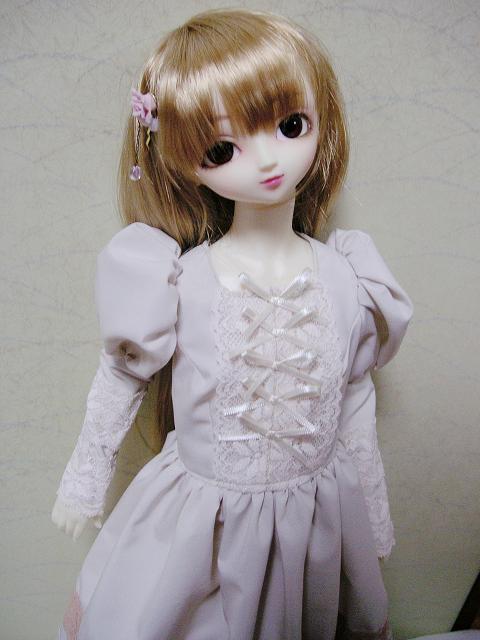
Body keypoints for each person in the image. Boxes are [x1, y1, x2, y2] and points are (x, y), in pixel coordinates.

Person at [52, 8, 413, 639]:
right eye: (222, 150)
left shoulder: (349, 277)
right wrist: (83, 485)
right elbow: (122, 377)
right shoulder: (176, 281)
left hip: (315, 524)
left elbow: (354, 399)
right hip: (201, 523)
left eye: (290, 125)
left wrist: (374, 519)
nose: (267, 159)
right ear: (182, 160)